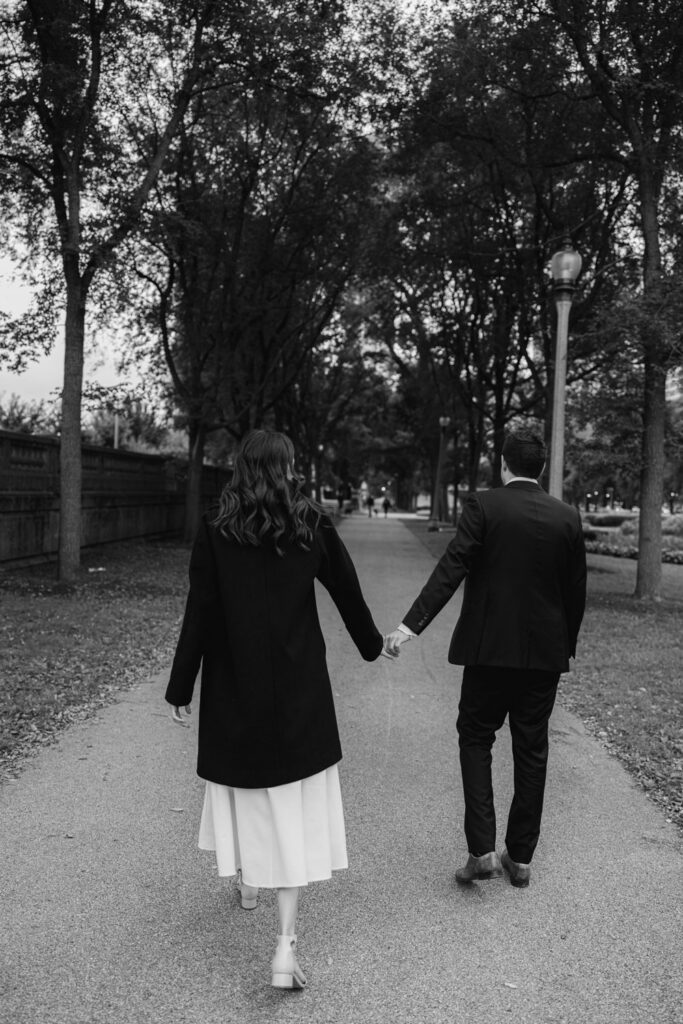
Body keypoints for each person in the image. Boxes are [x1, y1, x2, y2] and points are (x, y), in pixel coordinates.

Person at [166, 429, 383, 989]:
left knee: (243, 787)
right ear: (286, 466)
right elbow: (347, 590)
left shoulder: (217, 530)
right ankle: (285, 947)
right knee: (291, 809)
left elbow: (201, 611)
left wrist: (180, 687)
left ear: (240, 469)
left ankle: (247, 881)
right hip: (297, 690)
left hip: (234, 687)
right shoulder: (309, 522)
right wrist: (372, 643)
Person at [384, 424, 586, 887]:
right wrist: (564, 646)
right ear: (541, 467)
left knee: (476, 738)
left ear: (503, 464)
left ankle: (481, 851)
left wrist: (408, 626)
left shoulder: (484, 505)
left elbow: (452, 566)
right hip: (543, 657)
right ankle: (521, 858)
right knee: (532, 750)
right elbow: (575, 594)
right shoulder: (567, 517)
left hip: (488, 653)